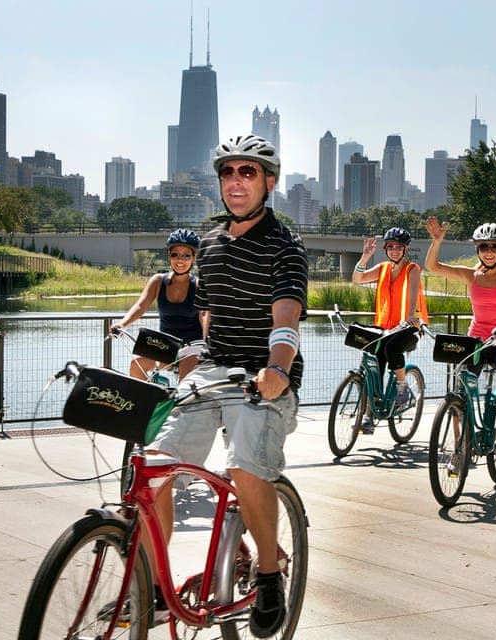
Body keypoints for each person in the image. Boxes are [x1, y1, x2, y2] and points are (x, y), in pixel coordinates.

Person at [148, 134, 308, 637]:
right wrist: (191, 366)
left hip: (264, 377)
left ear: (269, 182)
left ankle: (268, 575)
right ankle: (155, 589)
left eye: (248, 172)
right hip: (215, 372)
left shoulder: (285, 246)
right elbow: (207, 317)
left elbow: (286, 316)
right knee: (153, 467)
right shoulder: (211, 244)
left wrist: (277, 368)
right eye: (228, 172)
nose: (236, 181)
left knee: (244, 465)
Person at [425, 216, 496, 465]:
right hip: (476, 342)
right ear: (477, 249)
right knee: (460, 395)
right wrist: (437, 241)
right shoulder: (472, 275)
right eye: (484, 246)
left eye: (494, 246)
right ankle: (459, 450)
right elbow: (433, 267)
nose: (489, 251)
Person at [350, 226, 429, 433]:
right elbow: (357, 279)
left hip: (408, 327)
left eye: (399, 247)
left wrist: (410, 315)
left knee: (392, 348)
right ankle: (369, 416)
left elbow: (413, 291)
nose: (395, 250)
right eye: (391, 246)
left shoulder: (412, 269)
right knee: (373, 365)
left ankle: (402, 387)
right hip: (384, 327)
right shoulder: (382, 268)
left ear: (405, 249)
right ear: (385, 248)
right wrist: (365, 257)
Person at [110, 229, 205, 381]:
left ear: (194, 258)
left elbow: (204, 316)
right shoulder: (158, 281)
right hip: (166, 344)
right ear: (169, 256)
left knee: (185, 381)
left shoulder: (199, 286)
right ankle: (150, 396)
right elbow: (141, 306)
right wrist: (122, 324)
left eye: (186, 255)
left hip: (192, 344)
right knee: (136, 366)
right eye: (175, 254)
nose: (180, 260)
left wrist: (211, 341)